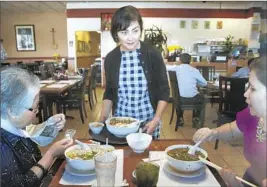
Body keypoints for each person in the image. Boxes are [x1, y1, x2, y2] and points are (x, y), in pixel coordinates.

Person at [193, 57, 266, 187]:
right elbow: (234, 128)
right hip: (248, 179)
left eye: (253, 89)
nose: (245, 94)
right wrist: (213, 133)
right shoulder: (253, 114)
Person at [98, 5, 170, 139]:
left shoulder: (152, 54)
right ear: (116, 33)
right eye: (124, 32)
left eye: (135, 31)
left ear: (141, 30)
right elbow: (110, 92)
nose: (130, 38)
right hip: (120, 125)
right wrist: (101, 120)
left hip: (148, 123)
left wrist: (156, 119)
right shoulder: (111, 58)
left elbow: (164, 90)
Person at [1, 67, 73, 187]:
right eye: (33, 108)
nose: (37, 112)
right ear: (12, 111)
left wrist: (51, 124)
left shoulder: (12, 125)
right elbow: (22, 184)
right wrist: (51, 154)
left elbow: (32, 135)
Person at [166, 53, 207, 125]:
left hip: (179, 99)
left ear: (180, 61)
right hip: (193, 99)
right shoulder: (195, 70)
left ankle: (180, 117)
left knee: (178, 96)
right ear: (190, 61)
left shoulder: (176, 68)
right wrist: (196, 82)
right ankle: (195, 118)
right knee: (201, 98)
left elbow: (166, 67)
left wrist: (173, 63)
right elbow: (204, 83)